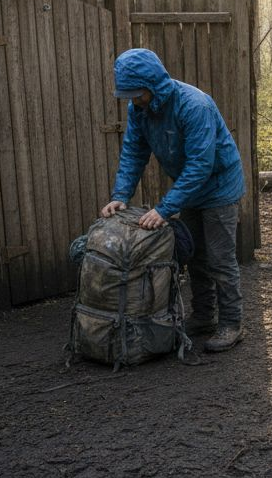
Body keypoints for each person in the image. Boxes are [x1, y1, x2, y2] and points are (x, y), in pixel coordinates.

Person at [101, 48, 247, 353]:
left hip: (219, 185)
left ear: (153, 85)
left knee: (220, 259)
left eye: (137, 94)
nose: (134, 100)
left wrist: (165, 209)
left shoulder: (194, 106)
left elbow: (200, 165)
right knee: (195, 255)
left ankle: (232, 323)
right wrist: (120, 195)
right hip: (190, 188)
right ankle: (205, 317)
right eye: (129, 95)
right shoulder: (139, 110)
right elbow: (133, 152)